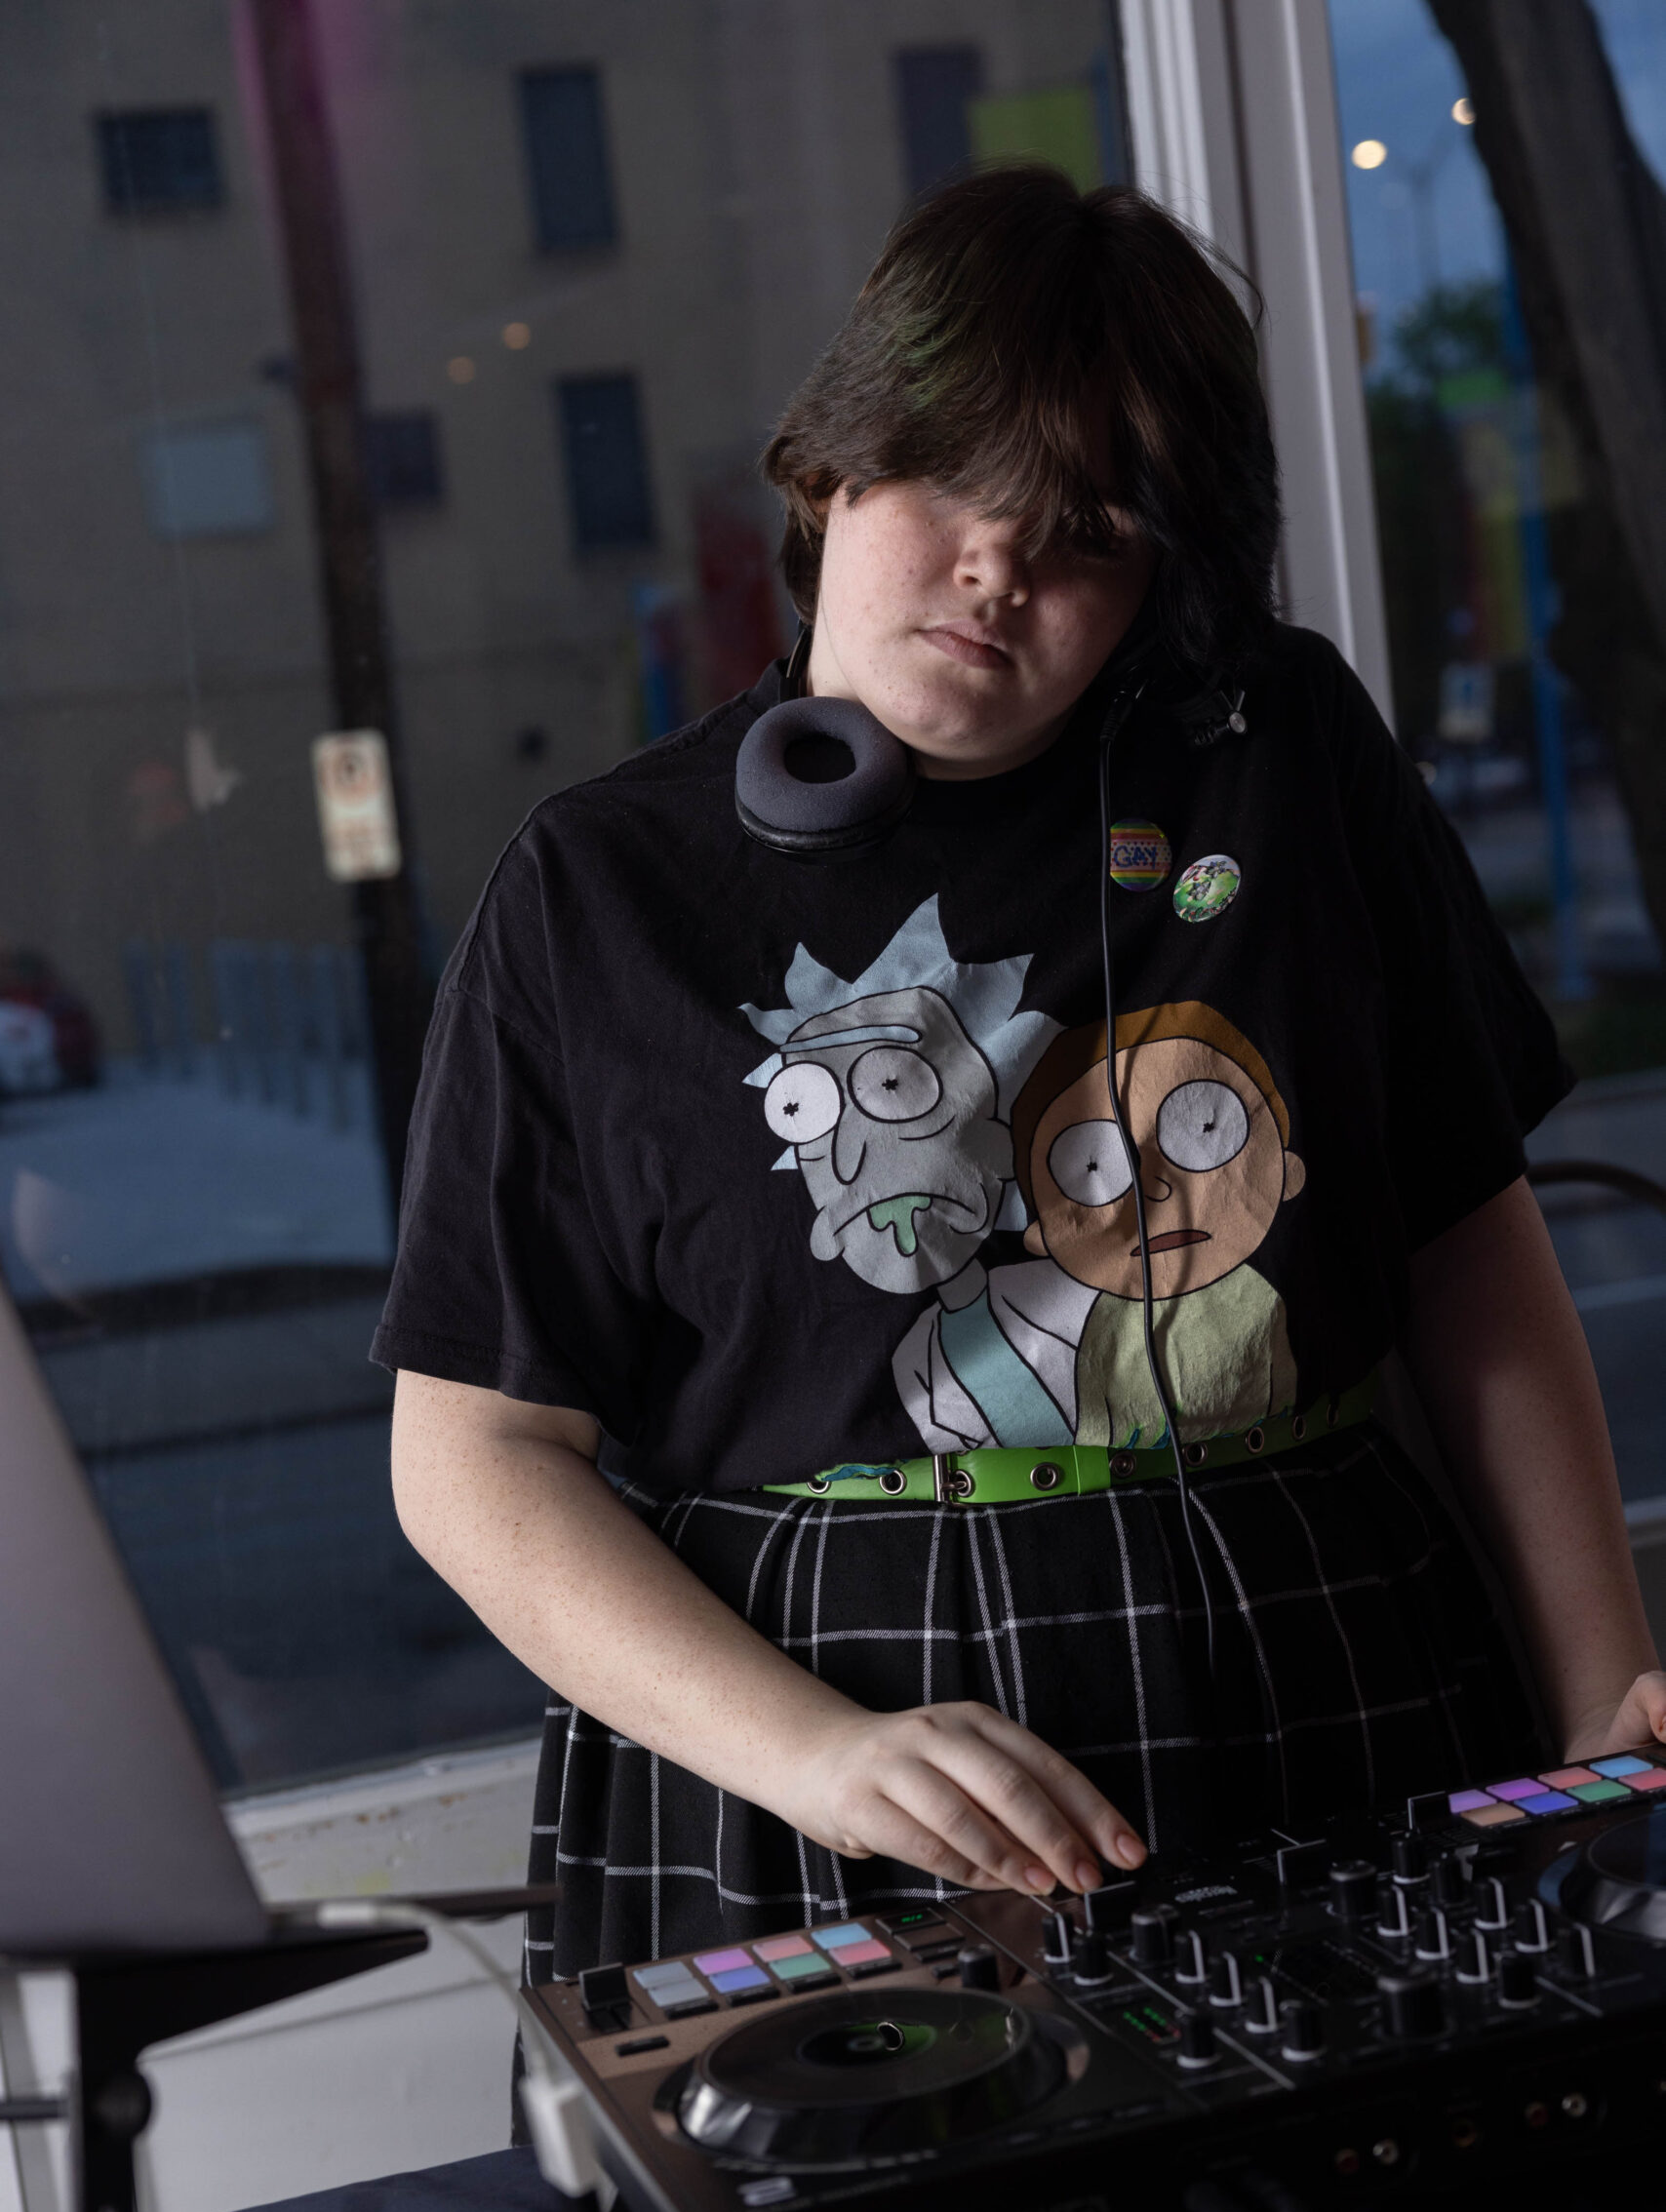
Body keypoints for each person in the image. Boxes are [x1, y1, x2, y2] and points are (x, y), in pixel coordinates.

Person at [375, 167, 1666, 1993]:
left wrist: (1599, 1728)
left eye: (1091, 532)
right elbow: (472, 1464)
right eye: (951, 483)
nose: (1001, 568)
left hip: (1330, 1671)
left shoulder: (1282, 756)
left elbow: (1471, 1251)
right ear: (828, 473)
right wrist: (817, 1756)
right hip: (821, 1764)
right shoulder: (596, 892)